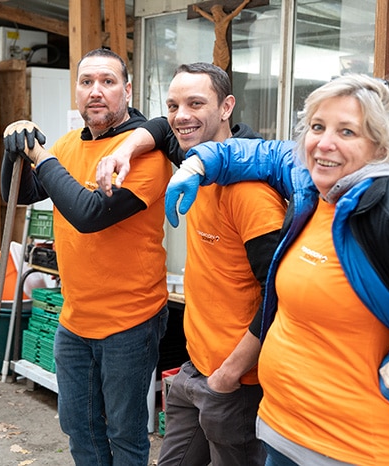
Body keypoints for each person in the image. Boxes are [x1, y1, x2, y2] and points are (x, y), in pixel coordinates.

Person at [164, 74, 389, 465]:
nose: (324, 143)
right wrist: (199, 164)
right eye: (317, 127)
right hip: (283, 432)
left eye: (347, 131)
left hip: (348, 449)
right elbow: (263, 153)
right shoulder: (314, 183)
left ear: (384, 144)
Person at [98, 62, 285, 465]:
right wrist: (124, 149)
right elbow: (162, 129)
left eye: (196, 103)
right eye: (173, 104)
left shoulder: (249, 192)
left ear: (226, 107)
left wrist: (226, 377)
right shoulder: (192, 164)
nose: (182, 116)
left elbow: (281, 299)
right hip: (193, 370)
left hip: (236, 385)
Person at [0, 48, 172, 466]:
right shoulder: (66, 145)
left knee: (126, 435)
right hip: (75, 320)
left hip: (130, 321)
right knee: (80, 429)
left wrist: (40, 157)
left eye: (108, 82)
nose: (96, 91)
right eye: (86, 82)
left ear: (127, 91)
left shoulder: (144, 155)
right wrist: (13, 151)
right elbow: (18, 196)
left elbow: (90, 214)